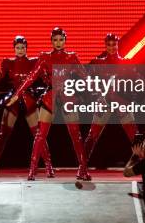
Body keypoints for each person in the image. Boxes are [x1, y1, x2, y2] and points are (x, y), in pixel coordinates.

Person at [9, 27, 91, 181]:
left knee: (76, 135)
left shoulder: (72, 57)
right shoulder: (44, 57)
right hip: (50, 96)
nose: (58, 43)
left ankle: (83, 170)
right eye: (55, 40)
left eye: (61, 39)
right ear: (51, 41)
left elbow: (86, 78)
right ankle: (32, 170)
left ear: (65, 40)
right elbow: (31, 78)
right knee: (40, 135)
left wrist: (100, 92)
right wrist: (17, 94)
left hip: (67, 96)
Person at [0, 35, 55, 178]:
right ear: (14, 48)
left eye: (23, 47)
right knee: (3, 134)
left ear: (26, 48)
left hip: (29, 100)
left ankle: (49, 166)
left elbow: (45, 78)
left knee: (39, 135)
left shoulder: (34, 61)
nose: (20, 50)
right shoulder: (7, 62)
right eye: (18, 47)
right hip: (13, 101)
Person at [84, 33, 138, 160]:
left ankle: (142, 165)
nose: (112, 47)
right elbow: (87, 81)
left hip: (121, 102)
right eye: (109, 45)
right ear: (105, 46)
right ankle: (82, 167)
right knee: (92, 135)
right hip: (104, 101)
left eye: (114, 44)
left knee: (134, 134)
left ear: (118, 45)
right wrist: (97, 94)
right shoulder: (98, 63)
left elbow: (138, 80)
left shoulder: (125, 63)